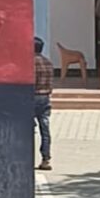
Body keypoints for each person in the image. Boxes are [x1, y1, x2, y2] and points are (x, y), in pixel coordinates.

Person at [34, 36, 54, 171]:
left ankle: (27, 156)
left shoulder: (30, 64)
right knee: (45, 129)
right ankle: (46, 158)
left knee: (27, 128)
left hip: (32, 97)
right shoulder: (48, 63)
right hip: (45, 97)